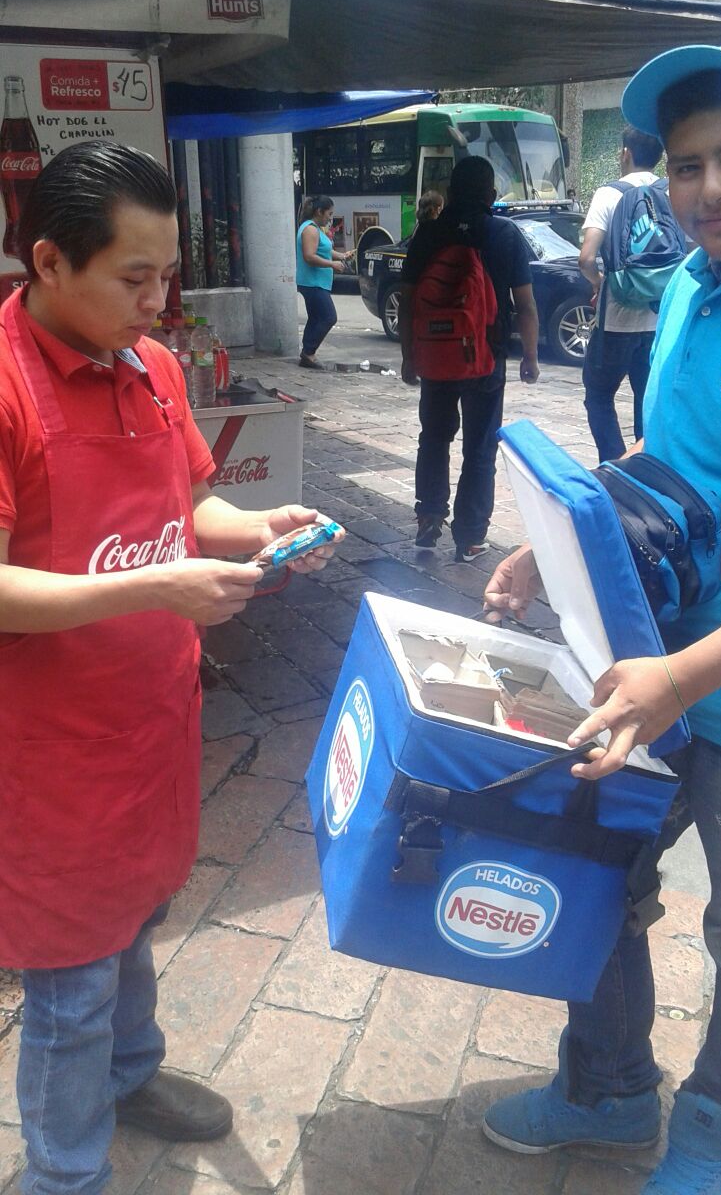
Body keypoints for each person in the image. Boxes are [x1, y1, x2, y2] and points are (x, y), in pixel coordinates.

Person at [0, 141, 343, 1195]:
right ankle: (65, 1172)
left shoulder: (150, 367)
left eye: (168, 275)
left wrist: (257, 528)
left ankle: (131, 1072)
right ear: (49, 262)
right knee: (70, 978)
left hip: (151, 720)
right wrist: (158, 587)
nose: (159, 302)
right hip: (48, 752)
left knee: (140, 912)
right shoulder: (5, 385)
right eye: (134, 277)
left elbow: (191, 503)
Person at [481, 42, 721, 1195]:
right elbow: (666, 449)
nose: (711, 188)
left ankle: (720, 1129)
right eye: (687, 165)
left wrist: (683, 680)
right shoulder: (694, 279)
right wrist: (553, 537)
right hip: (647, 659)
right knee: (593, 870)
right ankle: (608, 1087)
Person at [399, 156, 539, 563]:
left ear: (450, 192)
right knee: (480, 448)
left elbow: (408, 301)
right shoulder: (504, 234)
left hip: (437, 356)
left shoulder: (428, 233)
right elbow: (526, 305)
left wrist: (410, 356)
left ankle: (429, 518)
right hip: (486, 358)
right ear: (492, 195)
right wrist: (530, 357)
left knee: (434, 437)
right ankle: (471, 538)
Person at [579, 127, 665, 461]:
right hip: (658, 319)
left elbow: (586, 259)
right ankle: (646, 468)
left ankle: (615, 467)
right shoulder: (671, 192)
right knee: (647, 401)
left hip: (616, 320)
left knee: (599, 396)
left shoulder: (609, 194)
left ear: (625, 153)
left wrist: (599, 282)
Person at [295, 194, 347, 370]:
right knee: (328, 317)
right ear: (319, 211)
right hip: (313, 282)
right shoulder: (310, 229)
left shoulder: (315, 228)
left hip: (316, 282)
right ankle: (309, 352)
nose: (330, 218)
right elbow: (309, 256)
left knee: (316, 317)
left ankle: (307, 353)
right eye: (329, 214)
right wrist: (332, 264)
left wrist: (341, 256)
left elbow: (323, 250)